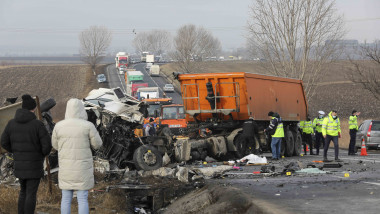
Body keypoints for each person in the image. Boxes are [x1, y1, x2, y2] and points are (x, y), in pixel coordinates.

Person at [1, 94, 52, 214]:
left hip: (19, 166)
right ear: (33, 109)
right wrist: (40, 155)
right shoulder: (37, 124)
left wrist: (15, 151)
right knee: (31, 193)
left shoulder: (11, 124)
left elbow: (3, 142)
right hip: (34, 166)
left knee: (23, 192)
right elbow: (47, 146)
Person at [52, 98, 102, 214]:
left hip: (66, 168)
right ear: (81, 110)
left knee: (65, 198)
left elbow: (55, 145)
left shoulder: (59, 126)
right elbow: (97, 144)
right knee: (82, 199)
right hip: (82, 169)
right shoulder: (88, 126)